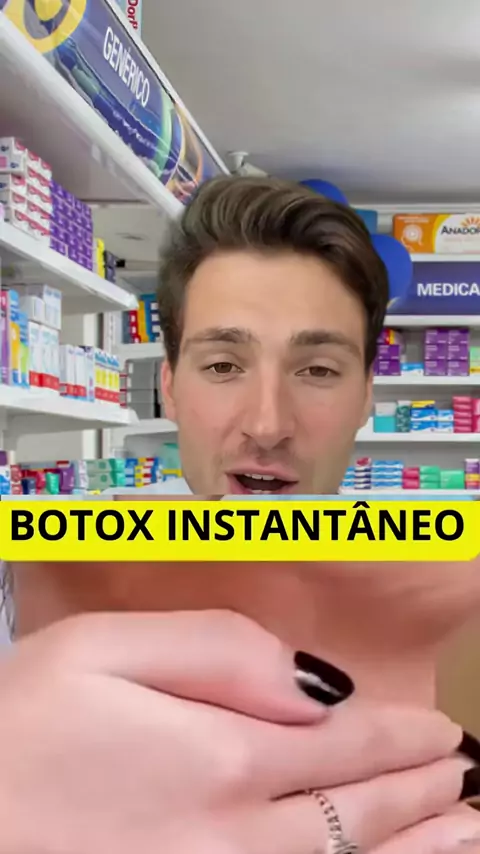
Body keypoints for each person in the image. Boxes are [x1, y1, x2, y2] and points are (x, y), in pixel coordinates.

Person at [2, 176, 480, 853]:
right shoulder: (33, 586)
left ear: (366, 396)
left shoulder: (446, 591)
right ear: (170, 387)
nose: (267, 423)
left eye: (317, 370)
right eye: (224, 365)